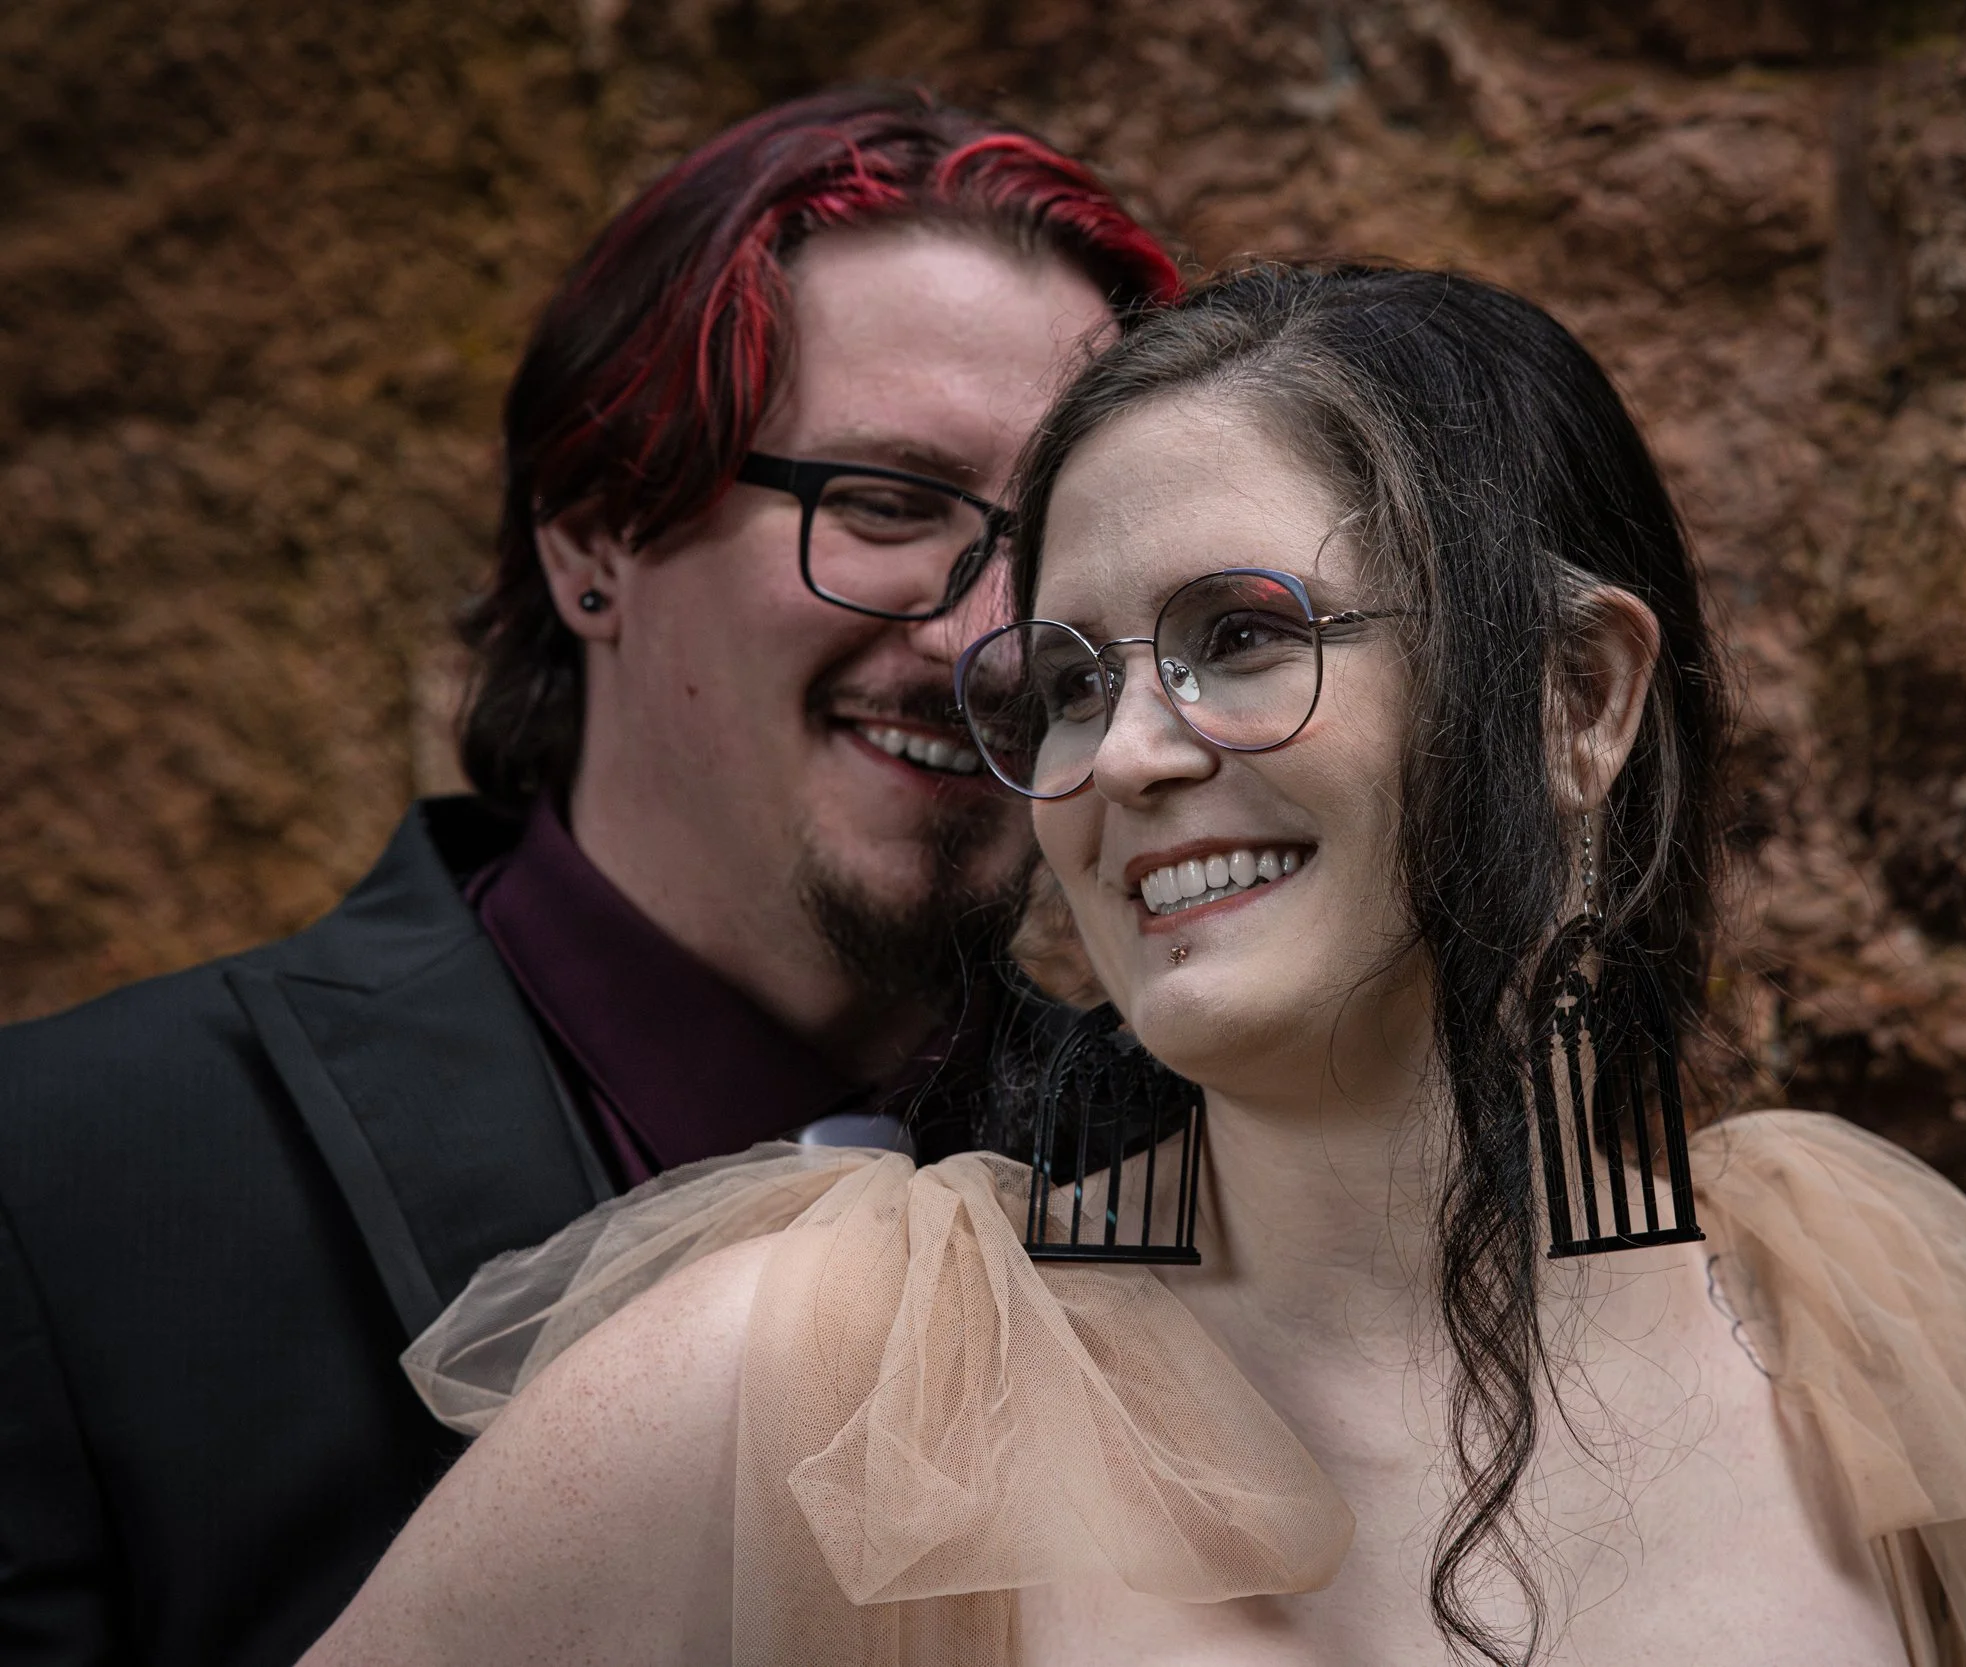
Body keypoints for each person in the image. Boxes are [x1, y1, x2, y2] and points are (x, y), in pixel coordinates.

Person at [303, 264, 1966, 1667]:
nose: (1122, 761)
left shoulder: (1840, 1354)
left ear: (1578, 697)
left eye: (1241, 636)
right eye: (1074, 682)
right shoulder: (816, 1380)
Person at [0, 87, 1178, 1666]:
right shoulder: (60, 1185)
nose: (991, 640)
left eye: (1070, 541)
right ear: (594, 535)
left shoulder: (1210, 1171)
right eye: (889, 503)